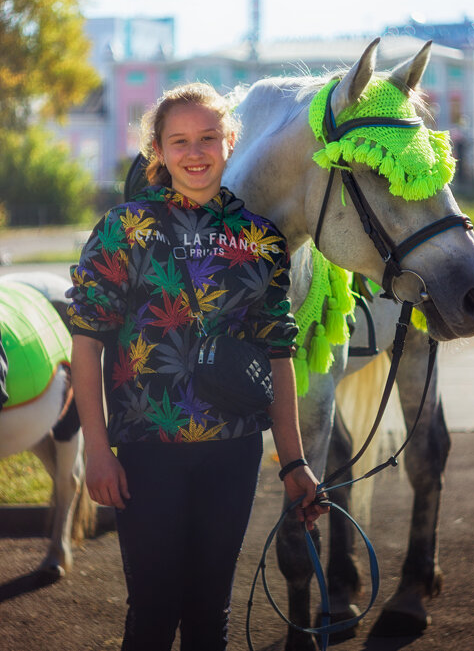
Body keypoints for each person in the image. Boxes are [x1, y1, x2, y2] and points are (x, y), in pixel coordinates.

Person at [68, 83, 327, 651]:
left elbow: (279, 353)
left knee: (211, 612)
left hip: (231, 452)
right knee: (155, 610)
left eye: (208, 138)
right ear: (157, 151)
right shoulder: (125, 229)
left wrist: (293, 462)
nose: (195, 153)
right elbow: (85, 341)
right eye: (179, 141)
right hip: (145, 449)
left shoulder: (260, 240)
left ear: (229, 142)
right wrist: (96, 447)